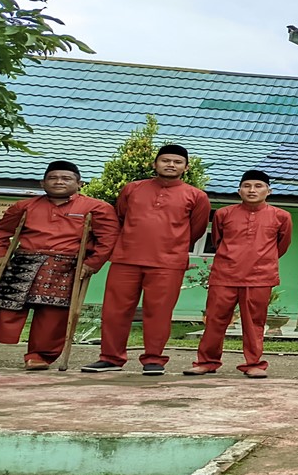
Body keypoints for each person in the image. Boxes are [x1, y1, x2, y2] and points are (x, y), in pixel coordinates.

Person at [83, 144, 211, 375]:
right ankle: (110, 358)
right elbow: (120, 217)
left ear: (186, 167)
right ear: (155, 164)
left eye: (177, 162)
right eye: (165, 160)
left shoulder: (196, 196)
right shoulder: (132, 189)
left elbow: (197, 230)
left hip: (168, 263)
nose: (170, 165)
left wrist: (172, 245)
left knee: (159, 312)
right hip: (126, 258)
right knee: (115, 311)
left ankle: (154, 359)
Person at [0, 162, 119, 370]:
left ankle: (38, 355)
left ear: (79, 183)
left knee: (52, 313)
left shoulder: (97, 208)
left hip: (65, 264)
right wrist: (0, 257)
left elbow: (108, 239)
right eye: (53, 178)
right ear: (43, 182)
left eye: (66, 178)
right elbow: (0, 233)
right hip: (24, 260)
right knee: (6, 309)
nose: (59, 182)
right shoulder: (24, 206)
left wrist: (91, 264)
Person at [184, 170, 293, 379]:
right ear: (239, 190)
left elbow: (282, 245)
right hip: (224, 275)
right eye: (247, 186)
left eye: (258, 186)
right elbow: (217, 240)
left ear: (268, 191)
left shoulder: (281, 216)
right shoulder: (223, 214)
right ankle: (206, 362)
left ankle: (254, 363)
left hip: (260, 277)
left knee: (254, 322)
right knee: (215, 320)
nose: (252, 190)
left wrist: (261, 259)